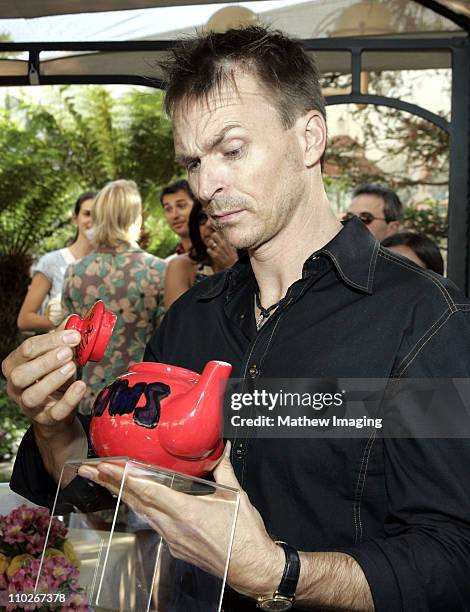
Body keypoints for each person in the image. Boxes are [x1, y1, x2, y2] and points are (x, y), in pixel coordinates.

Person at [4, 26, 470, 612]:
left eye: (231, 150)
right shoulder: (190, 321)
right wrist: (54, 427)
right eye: (193, 162)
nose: (206, 185)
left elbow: (453, 558)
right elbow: (114, 500)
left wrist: (277, 570)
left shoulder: (424, 322)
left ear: (308, 138)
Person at [61, 179, 166, 414]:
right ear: (136, 217)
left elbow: (69, 342)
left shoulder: (75, 273)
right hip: (138, 402)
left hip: (85, 399)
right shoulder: (157, 271)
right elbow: (165, 344)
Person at [16, 192, 95, 332]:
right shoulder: (51, 262)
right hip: (60, 349)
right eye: (87, 214)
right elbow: (25, 320)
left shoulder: (108, 265)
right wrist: (70, 325)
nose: (93, 220)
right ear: (75, 219)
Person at [164, 199, 238, 309]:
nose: (209, 224)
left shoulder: (254, 262)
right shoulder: (181, 265)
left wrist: (232, 267)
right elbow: (178, 322)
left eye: (217, 215)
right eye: (202, 218)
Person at [160, 179, 195, 258]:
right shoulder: (168, 265)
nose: (175, 215)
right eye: (168, 209)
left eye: (181, 205)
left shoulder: (221, 254)